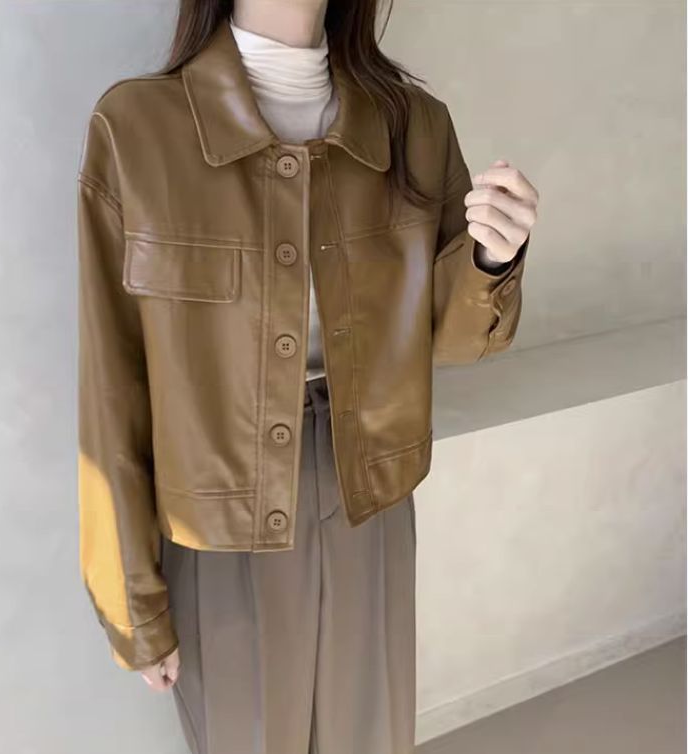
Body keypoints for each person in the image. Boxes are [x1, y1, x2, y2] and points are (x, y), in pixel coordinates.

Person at [76, 1, 539, 752]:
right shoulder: (137, 128)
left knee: (371, 736)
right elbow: (113, 382)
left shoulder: (414, 125)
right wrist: (133, 603)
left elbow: (452, 340)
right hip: (217, 515)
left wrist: (492, 257)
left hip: (370, 495)